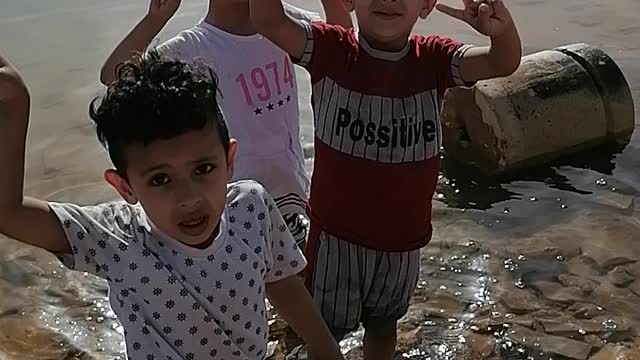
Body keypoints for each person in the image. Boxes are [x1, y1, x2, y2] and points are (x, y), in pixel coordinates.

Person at [0, 50, 344, 360]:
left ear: (229, 160)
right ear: (124, 187)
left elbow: (281, 282)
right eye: (160, 180)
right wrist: (17, 102)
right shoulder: (117, 238)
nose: (189, 198)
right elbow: (10, 213)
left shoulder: (251, 206)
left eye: (203, 169)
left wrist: (325, 347)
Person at [248, 0, 522, 358]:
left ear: (426, 4)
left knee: (383, 325)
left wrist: (501, 32)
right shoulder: (331, 51)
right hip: (336, 242)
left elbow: (502, 62)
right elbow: (268, 20)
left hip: (402, 245)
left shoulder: (434, 61)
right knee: (320, 331)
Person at [99, 0, 352, 251]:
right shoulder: (197, 45)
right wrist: (156, 19)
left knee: (293, 277)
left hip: (289, 194)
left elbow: (343, 52)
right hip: (232, 204)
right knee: (243, 280)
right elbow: (115, 76)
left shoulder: (281, 23)